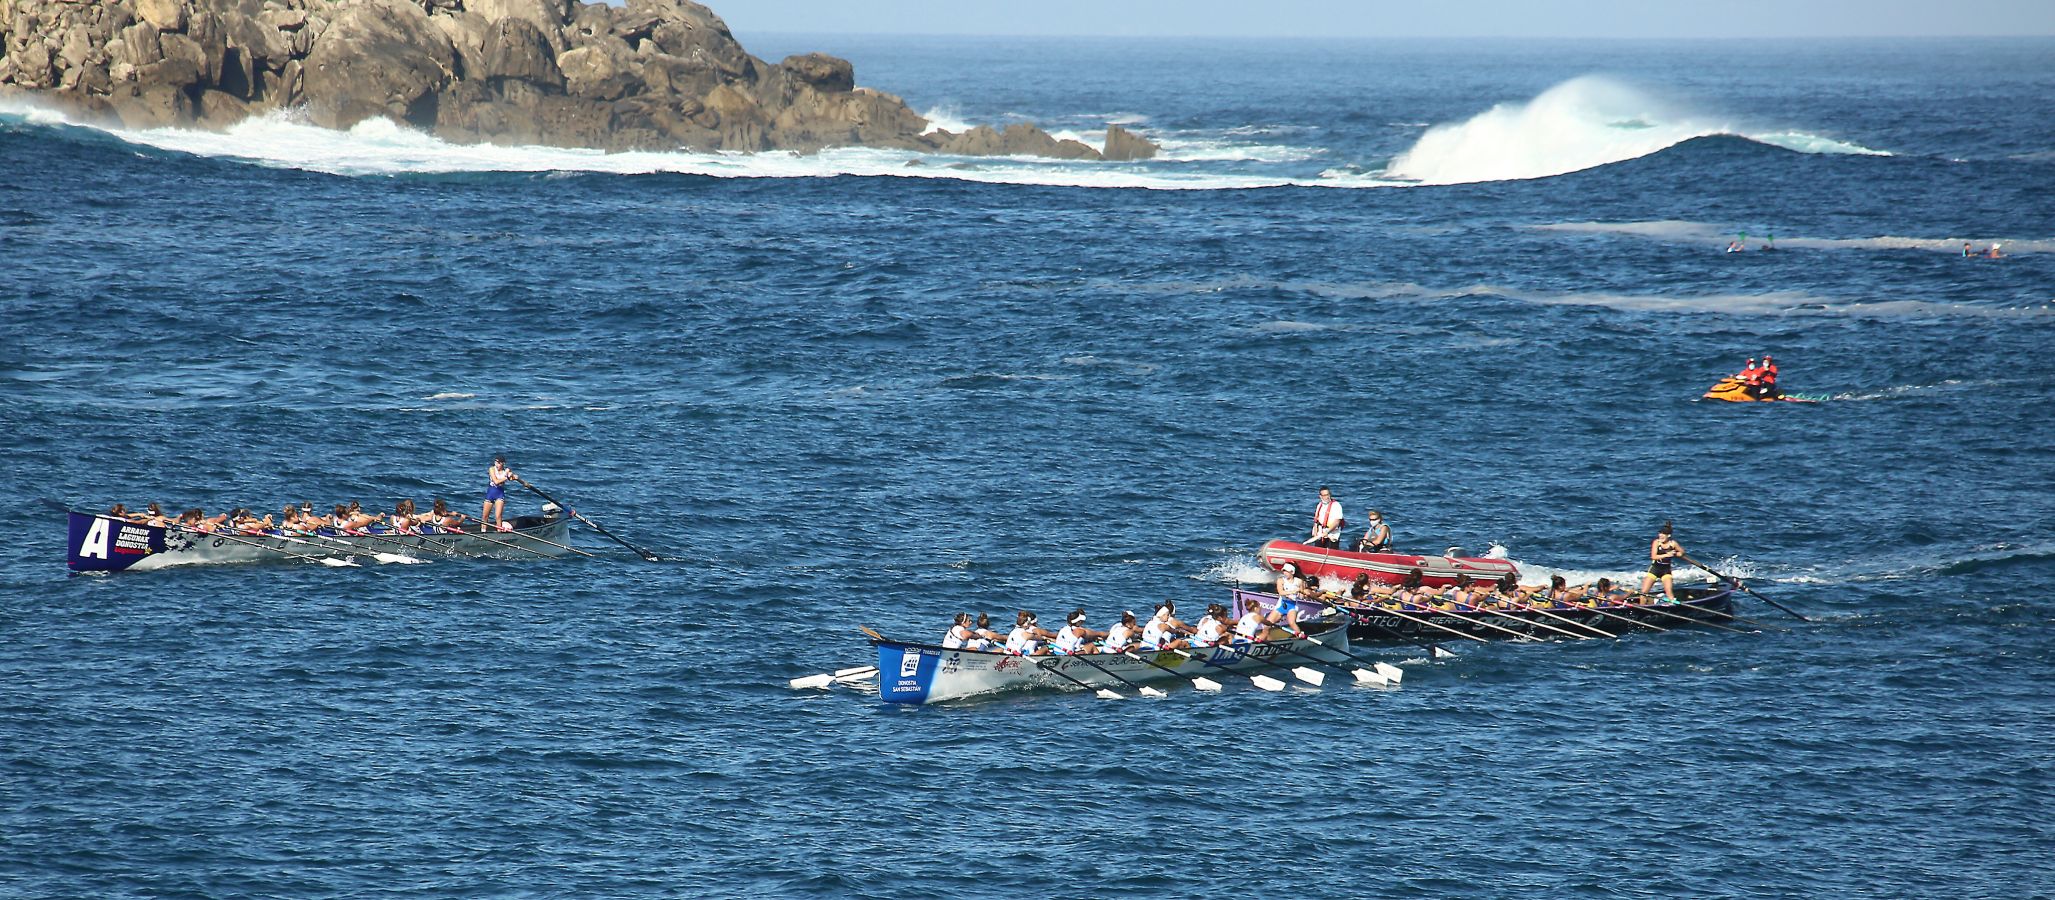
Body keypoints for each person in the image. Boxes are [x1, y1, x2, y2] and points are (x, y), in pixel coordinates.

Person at [1640, 522, 1685, 602]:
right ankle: (1642, 607)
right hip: (1655, 569)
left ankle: (1672, 604)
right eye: (1660, 533)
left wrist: (1676, 553)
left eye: (1663, 534)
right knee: (1643, 593)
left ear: (1669, 535)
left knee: (1669, 594)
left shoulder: (1673, 543)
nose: (1661, 536)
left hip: (1666, 571)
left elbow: (1682, 552)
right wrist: (1667, 555)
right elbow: (1653, 556)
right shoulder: (1656, 542)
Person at [483, 456, 518, 531]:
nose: (496, 464)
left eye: (498, 463)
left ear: (503, 464)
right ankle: (483, 532)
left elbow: (511, 478)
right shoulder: (492, 469)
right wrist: (507, 478)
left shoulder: (507, 471)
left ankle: (499, 533)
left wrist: (513, 477)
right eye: (495, 462)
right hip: (490, 494)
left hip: (499, 494)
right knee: (485, 516)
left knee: (498, 516)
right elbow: (496, 481)